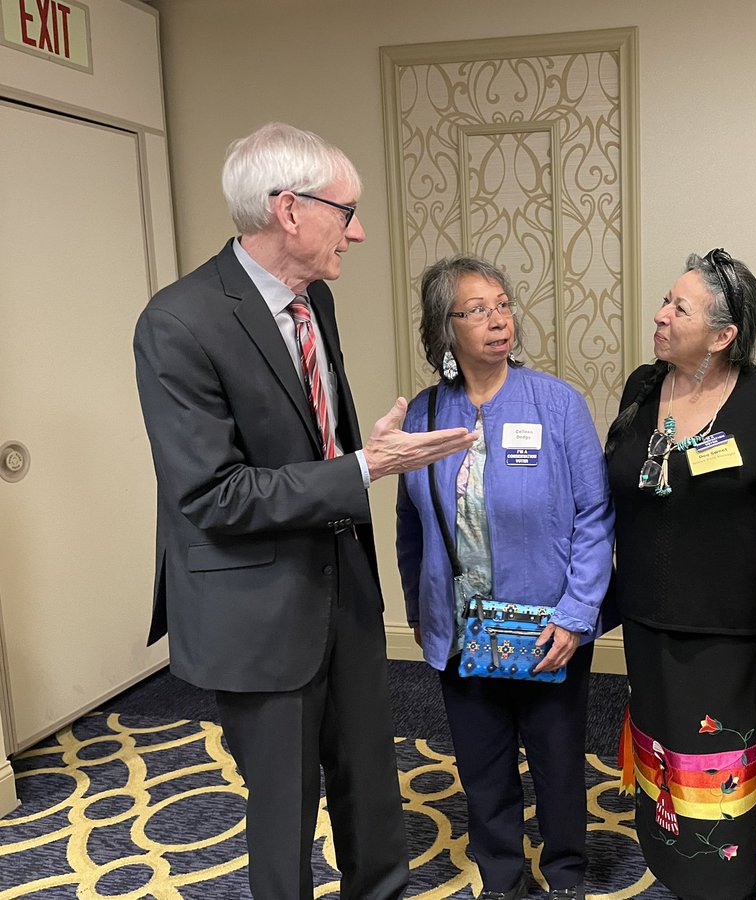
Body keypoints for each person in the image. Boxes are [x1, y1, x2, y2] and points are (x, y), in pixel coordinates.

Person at [133, 122, 478, 900]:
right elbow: (212, 495)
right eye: (345, 211)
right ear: (289, 210)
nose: (356, 231)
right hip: (255, 605)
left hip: (342, 587)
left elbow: (314, 429)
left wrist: (363, 457)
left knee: (373, 787)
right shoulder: (177, 323)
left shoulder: (311, 299)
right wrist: (362, 467)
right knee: (284, 810)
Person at [395, 255, 614, 900]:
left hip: (547, 628)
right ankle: (502, 878)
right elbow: (413, 523)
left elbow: (594, 516)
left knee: (555, 763)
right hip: (462, 631)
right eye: (476, 310)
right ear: (445, 329)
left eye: (502, 305)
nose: (497, 320)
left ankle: (567, 873)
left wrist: (577, 614)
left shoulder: (556, 403)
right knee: (483, 766)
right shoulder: (425, 414)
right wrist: (419, 603)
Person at [605, 249, 756, 900]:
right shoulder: (642, 386)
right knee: (665, 773)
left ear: (723, 335)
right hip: (649, 628)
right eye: (665, 299)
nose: (659, 315)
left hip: (730, 638)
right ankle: (676, 873)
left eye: (677, 308)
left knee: (719, 782)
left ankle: (729, 885)